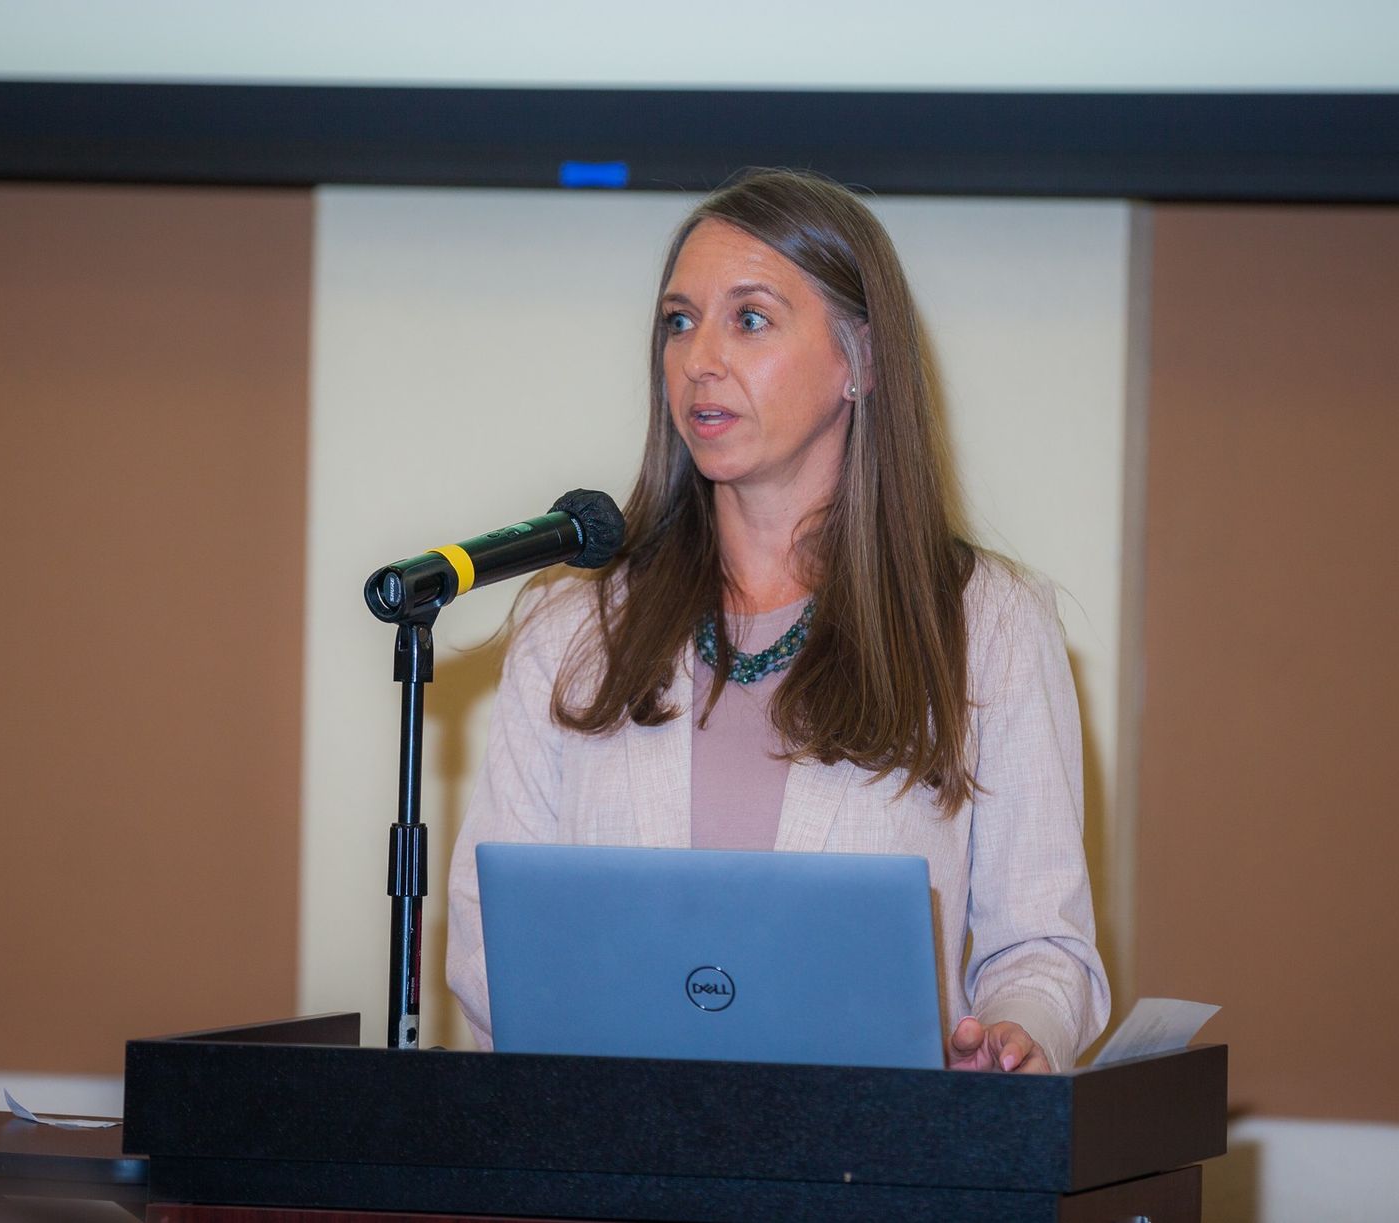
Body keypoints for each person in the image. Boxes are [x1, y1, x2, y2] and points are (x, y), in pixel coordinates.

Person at [446, 169, 1109, 1072]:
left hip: (874, 1173)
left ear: (860, 363)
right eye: (679, 322)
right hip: (612, 1166)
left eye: (748, 318)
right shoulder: (571, 630)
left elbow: (1042, 948)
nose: (698, 359)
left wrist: (1015, 1031)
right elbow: (493, 949)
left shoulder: (985, 625)